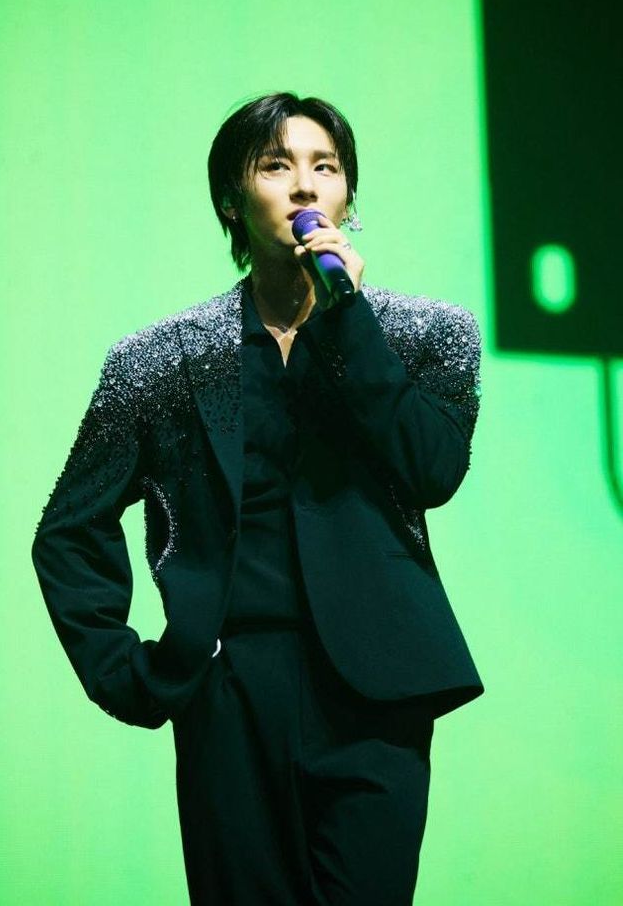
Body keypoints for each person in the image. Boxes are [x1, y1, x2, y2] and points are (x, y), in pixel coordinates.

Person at [32, 91, 484, 905]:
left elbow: (434, 470)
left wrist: (349, 319)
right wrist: (126, 671)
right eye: (277, 166)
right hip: (230, 689)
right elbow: (70, 527)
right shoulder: (161, 360)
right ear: (231, 202)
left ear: (348, 196)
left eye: (326, 167)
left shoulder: (428, 336)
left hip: (378, 690)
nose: (305, 185)